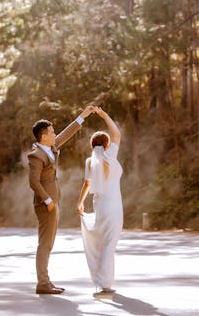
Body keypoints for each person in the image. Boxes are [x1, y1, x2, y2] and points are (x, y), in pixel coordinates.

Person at [28, 105, 96, 295]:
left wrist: (83, 115)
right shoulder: (36, 155)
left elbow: (67, 133)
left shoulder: (50, 147)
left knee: (48, 243)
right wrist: (48, 200)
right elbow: (33, 182)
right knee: (45, 243)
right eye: (51, 132)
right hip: (45, 204)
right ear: (43, 136)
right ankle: (43, 283)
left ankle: (45, 281)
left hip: (54, 201)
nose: (54, 134)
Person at [76, 107, 123, 296]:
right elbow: (117, 134)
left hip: (99, 204)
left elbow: (86, 184)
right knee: (110, 242)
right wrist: (104, 115)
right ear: (106, 144)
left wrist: (80, 203)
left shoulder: (89, 161)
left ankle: (103, 280)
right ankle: (105, 282)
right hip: (113, 205)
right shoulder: (110, 155)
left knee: (105, 242)